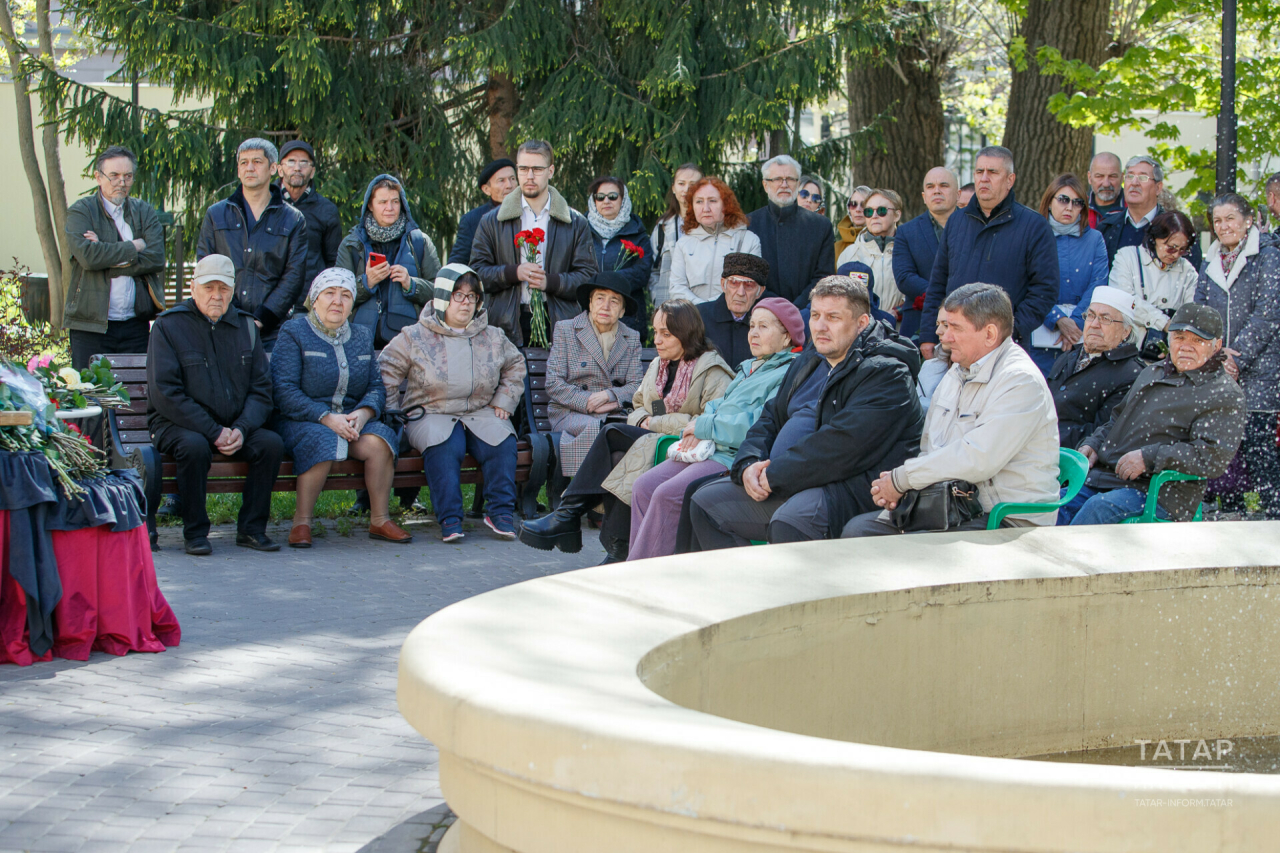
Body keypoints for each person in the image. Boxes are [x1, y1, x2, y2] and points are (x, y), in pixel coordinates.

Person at [689, 276, 924, 548]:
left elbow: (840, 448)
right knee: (703, 501)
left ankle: (793, 590)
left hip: (850, 487)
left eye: (833, 317)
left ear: (861, 323)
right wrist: (747, 464)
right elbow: (770, 417)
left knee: (792, 521)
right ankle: (745, 587)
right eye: (815, 315)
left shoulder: (887, 372)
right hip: (790, 477)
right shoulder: (811, 358)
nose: (820, 326)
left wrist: (773, 475)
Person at [520, 299, 732, 561]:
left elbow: (705, 421)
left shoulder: (712, 369)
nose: (657, 340)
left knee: (612, 432)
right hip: (657, 438)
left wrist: (654, 422)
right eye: (655, 332)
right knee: (618, 457)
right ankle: (617, 548)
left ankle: (568, 516)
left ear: (687, 333)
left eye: (666, 334)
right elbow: (638, 407)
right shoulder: (659, 365)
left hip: (685, 447)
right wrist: (651, 419)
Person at [842, 283, 1060, 537]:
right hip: (952, 503)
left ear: (990, 334)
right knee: (858, 531)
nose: (944, 338)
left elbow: (977, 459)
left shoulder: (1020, 381)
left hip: (1004, 517)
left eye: (955, 328)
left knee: (906, 550)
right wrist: (905, 492)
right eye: (945, 327)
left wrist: (903, 479)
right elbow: (930, 448)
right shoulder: (957, 371)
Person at [627, 298, 803, 561]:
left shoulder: (789, 373)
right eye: (752, 326)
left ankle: (639, 576)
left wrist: (704, 426)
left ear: (787, 337)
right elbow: (717, 404)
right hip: (707, 448)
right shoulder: (749, 367)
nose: (753, 333)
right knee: (643, 485)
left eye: (763, 327)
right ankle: (644, 562)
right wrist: (697, 427)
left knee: (666, 495)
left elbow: (759, 423)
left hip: (732, 456)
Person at [378, 264, 527, 542]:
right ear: (443, 298)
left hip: (479, 410)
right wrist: (392, 413)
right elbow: (386, 369)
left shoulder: (492, 336)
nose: (466, 303)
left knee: (502, 440)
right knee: (446, 444)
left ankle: (501, 514)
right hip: (430, 411)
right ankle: (450, 518)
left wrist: (505, 400)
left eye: (472, 297)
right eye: (458, 295)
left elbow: (516, 365)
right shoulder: (415, 335)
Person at [146, 254, 283, 556]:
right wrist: (213, 432)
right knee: (194, 447)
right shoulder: (168, 327)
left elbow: (262, 391)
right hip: (177, 423)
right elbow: (165, 393)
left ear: (233, 290)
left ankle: (251, 530)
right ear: (193, 287)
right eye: (209, 288)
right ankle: (195, 532)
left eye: (224, 288)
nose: (217, 296)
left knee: (270, 443)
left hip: (233, 424)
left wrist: (242, 429)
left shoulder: (246, 327)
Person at [1059, 304, 1246, 524]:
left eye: (1197, 340)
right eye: (1179, 338)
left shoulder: (1223, 392)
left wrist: (1149, 458)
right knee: (1052, 506)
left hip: (1161, 491)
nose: (1186, 347)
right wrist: (1095, 442)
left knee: (1096, 509)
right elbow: (1117, 420)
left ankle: (1067, 559)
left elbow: (1212, 457)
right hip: (1107, 477)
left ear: (1217, 346)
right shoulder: (1152, 372)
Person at [271, 268, 408, 548]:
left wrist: (364, 413)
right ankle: (301, 523)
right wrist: (325, 418)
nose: (338, 301)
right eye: (330, 293)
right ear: (314, 298)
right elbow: (284, 391)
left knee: (380, 442)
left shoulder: (360, 335)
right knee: (322, 440)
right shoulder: (294, 331)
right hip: (302, 420)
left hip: (351, 422)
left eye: (346, 295)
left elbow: (375, 387)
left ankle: (380, 519)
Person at [918, 146, 1059, 360]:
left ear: (1010, 180)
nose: (984, 179)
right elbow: (938, 282)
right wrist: (929, 333)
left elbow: (1044, 290)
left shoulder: (1034, 226)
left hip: (1004, 348)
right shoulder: (956, 221)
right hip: (954, 344)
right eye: (979, 172)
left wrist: (1009, 331)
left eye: (992, 172)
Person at [1193, 192, 1280, 518]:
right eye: (1217, 220)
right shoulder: (1210, 260)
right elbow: (1200, 312)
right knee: (1226, 450)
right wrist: (1215, 355)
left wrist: (1236, 358)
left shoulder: (1268, 257)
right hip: (1220, 369)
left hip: (1260, 371)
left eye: (1230, 218)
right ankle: (1232, 516)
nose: (1223, 226)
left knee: (1259, 450)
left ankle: (1274, 517)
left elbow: (1268, 314)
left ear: (1248, 221)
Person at [470, 139, 598, 347]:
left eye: (537, 169)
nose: (529, 176)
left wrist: (551, 282)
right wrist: (514, 272)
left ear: (551, 171)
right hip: (507, 323)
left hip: (560, 322)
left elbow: (588, 278)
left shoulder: (575, 223)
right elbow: (477, 273)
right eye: (523, 169)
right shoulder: (492, 221)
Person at [196, 138, 307, 349]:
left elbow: (293, 276)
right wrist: (234, 314)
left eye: (257, 162)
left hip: (273, 330)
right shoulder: (216, 214)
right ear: (238, 170)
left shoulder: (293, 219)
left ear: (273, 168)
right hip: (223, 323)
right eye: (243, 162)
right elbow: (206, 265)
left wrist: (262, 318)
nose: (249, 168)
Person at [63, 145, 166, 369]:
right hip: (90, 325)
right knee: (91, 394)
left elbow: (156, 258)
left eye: (128, 176)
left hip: (135, 324)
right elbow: (89, 258)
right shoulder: (81, 212)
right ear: (98, 177)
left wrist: (106, 256)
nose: (122, 182)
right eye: (115, 176)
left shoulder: (143, 211)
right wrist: (133, 247)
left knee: (136, 394)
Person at [544, 273, 644, 479]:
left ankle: (602, 504)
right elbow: (553, 383)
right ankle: (580, 497)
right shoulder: (566, 329)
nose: (606, 306)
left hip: (613, 412)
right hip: (570, 412)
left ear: (623, 310)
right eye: (600, 298)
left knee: (627, 436)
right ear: (590, 302)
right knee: (601, 430)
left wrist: (609, 395)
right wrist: (587, 402)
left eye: (614, 301)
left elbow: (636, 385)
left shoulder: (631, 337)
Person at [336, 174, 442, 348]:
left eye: (395, 201)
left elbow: (440, 293)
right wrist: (366, 282)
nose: (390, 208)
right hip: (358, 340)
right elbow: (336, 296)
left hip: (409, 342)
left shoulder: (419, 242)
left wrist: (411, 284)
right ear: (370, 205)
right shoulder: (351, 245)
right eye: (383, 202)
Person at [1028, 173, 1110, 374]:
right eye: (1063, 200)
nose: (1069, 207)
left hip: (1081, 336)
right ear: (1049, 202)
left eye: (1077, 202)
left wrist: (1075, 323)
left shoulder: (1095, 239)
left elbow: (1098, 284)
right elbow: (1026, 282)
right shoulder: (1032, 235)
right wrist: (1057, 319)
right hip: (1039, 334)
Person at [1047, 286, 1145, 449]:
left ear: (1125, 332)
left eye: (1105, 319)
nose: (1094, 324)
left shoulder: (1131, 374)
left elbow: (1100, 434)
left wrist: (1044, 436)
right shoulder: (1069, 357)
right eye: (1090, 316)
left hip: (1073, 461)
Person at [747, 155, 836, 307]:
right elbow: (749, 276)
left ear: (797, 183)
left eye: (790, 179)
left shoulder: (821, 226)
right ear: (765, 185)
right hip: (761, 312)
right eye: (777, 179)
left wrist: (796, 308)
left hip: (807, 314)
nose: (784, 184)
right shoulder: (749, 224)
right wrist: (775, 308)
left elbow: (823, 277)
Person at [1108, 210, 1199, 351]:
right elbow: (1123, 302)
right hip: (1128, 348)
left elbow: (1191, 312)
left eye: (1182, 250)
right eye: (1171, 248)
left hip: (1168, 351)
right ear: (1155, 238)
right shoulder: (1127, 257)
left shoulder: (1188, 270)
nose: (1176, 255)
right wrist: (1164, 322)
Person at [667, 176, 762, 304]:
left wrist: (714, 308)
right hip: (693, 318)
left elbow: (749, 287)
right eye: (699, 201)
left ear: (726, 205)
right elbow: (677, 287)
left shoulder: (748, 241)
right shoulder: (684, 243)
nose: (705, 208)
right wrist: (702, 308)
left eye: (712, 201)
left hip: (731, 318)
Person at [1097, 155, 1202, 269]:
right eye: (1130, 176)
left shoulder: (1178, 229)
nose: (1134, 183)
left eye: (1143, 177)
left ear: (1158, 187)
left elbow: (1190, 278)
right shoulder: (1107, 227)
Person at [894, 167, 959, 339]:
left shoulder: (975, 228)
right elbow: (904, 277)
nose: (936, 190)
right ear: (924, 197)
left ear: (958, 194)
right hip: (919, 321)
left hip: (967, 320)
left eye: (944, 185)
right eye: (930, 186)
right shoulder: (906, 232)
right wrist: (940, 296)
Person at [277, 140, 343, 307]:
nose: (297, 168)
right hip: (270, 302)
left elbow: (333, 261)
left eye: (304, 163)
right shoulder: (266, 204)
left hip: (309, 304)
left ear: (312, 172)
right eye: (291, 162)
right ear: (279, 169)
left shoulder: (326, 210)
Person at [586, 175, 654, 335]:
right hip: (590, 315)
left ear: (623, 200)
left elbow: (642, 272)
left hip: (628, 317)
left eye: (613, 196)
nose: (606, 201)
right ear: (594, 200)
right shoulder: (581, 231)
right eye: (600, 197)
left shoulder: (638, 234)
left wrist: (607, 280)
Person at [837, 188, 903, 325]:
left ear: (897, 215)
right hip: (860, 332)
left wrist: (899, 311)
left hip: (899, 331)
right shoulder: (849, 254)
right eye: (869, 211)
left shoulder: (910, 250)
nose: (874, 216)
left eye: (881, 211)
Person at [697, 252, 771, 367]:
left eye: (749, 285)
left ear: (760, 291)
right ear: (723, 284)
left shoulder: (770, 323)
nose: (740, 293)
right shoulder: (699, 317)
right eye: (734, 283)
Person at [648, 163, 703, 307]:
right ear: (673, 188)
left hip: (703, 308)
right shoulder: (663, 227)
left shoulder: (711, 225)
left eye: (693, 184)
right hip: (669, 308)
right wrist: (657, 298)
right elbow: (653, 270)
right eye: (681, 183)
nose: (686, 189)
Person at [449, 158, 517, 265]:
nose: (509, 185)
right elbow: (458, 264)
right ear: (486, 189)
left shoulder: (529, 212)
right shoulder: (472, 220)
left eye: (512, 178)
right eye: (501, 181)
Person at [1086, 152, 1124, 229]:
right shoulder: (1078, 208)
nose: (1106, 184)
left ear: (1121, 178)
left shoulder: (1133, 209)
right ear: (1090, 178)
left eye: (1112, 176)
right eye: (1099, 176)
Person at [834, 185, 872, 262]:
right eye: (853, 204)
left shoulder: (879, 242)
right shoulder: (836, 247)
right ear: (849, 209)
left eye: (863, 205)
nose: (858, 209)